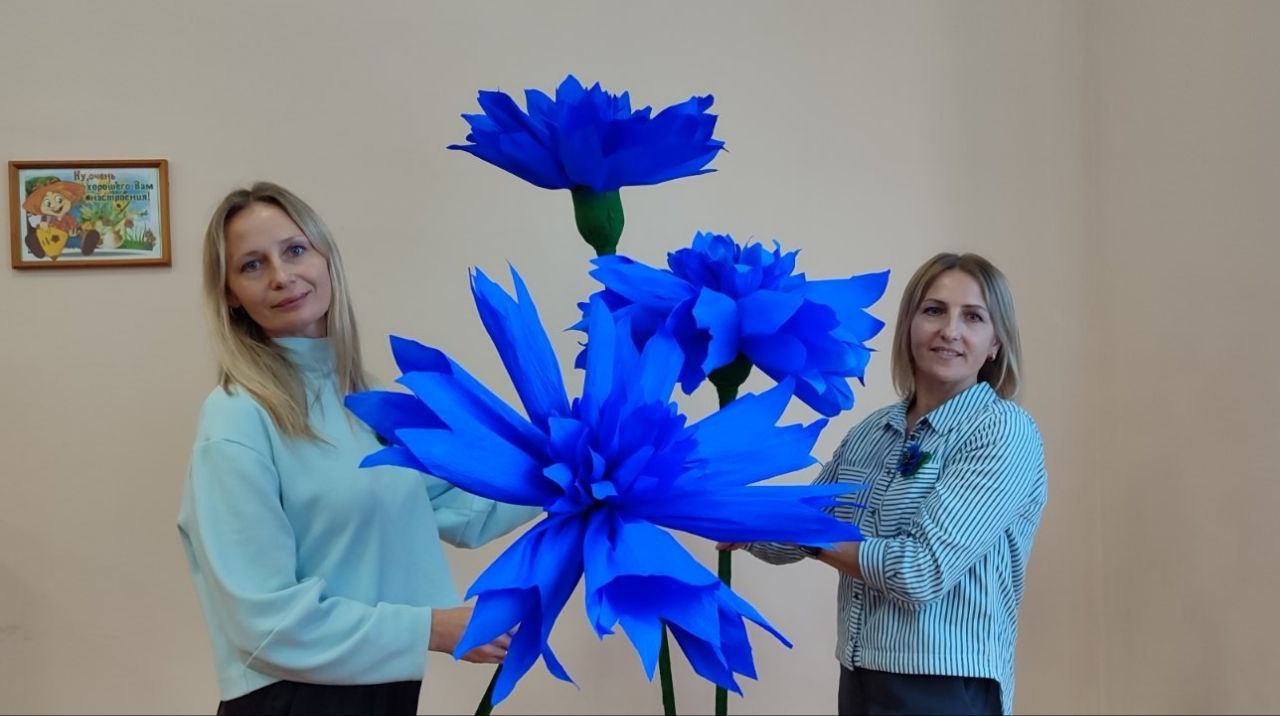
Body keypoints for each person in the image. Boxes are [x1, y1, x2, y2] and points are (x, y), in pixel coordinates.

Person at [177, 182, 539, 715]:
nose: (281, 276)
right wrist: (432, 627)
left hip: (382, 692)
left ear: (326, 258)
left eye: (294, 250)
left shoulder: (364, 402)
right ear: (230, 293)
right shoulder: (237, 418)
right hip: (292, 701)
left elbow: (461, 509)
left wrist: (574, 471)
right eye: (252, 265)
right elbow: (263, 624)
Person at [720, 252, 1047, 716]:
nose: (949, 330)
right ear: (909, 325)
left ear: (995, 343)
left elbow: (921, 570)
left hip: (945, 687)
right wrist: (734, 514)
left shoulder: (1002, 431)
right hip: (860, 676)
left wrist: (806, 534)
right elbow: (801, 525)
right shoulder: (873, 431)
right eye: (933, 310)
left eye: (973, 317)